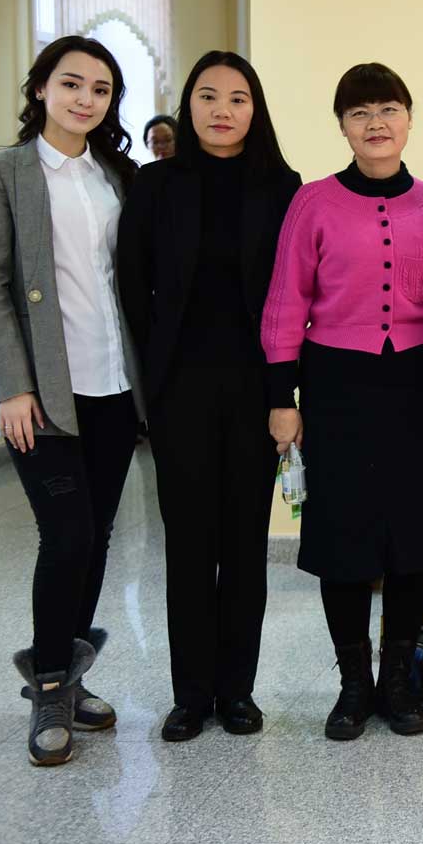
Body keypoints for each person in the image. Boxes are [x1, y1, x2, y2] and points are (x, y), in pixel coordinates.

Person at [261, 62, 423, 740]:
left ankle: (398, 680)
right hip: (338, 386)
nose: (376, 123)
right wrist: (282, 396)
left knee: (414, 535)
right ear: (343, 126)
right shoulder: (313, 203)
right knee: (343, 534)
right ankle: (353, 683)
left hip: (421, 385)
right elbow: (286, 302)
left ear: (409, 119)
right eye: (360, 113)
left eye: (388, 109)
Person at [0, 35, 143, 766]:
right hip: (44, 395)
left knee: (96, 537)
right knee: (65, 536)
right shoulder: (3, 171)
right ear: (41, 88)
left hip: (114, 385)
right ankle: (47, 685)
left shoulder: (118, 176)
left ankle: (68, 674)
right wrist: (12, 386)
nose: (85, 99)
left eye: (101, 90)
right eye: (71, 83)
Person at [116, 52, 301, 741]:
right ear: (187, 104)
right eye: (208, 95)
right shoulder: (156, 183)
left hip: (255, 389)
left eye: (238, 98)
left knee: (245, 543)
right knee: (190, 545)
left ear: (256, 109)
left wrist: (284, 395)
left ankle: (238, 691)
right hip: (180, 391)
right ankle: (191, 694)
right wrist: (154, 386)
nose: (222, 109)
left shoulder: (282, 187)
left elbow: (291, 298)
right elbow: (132, 287)